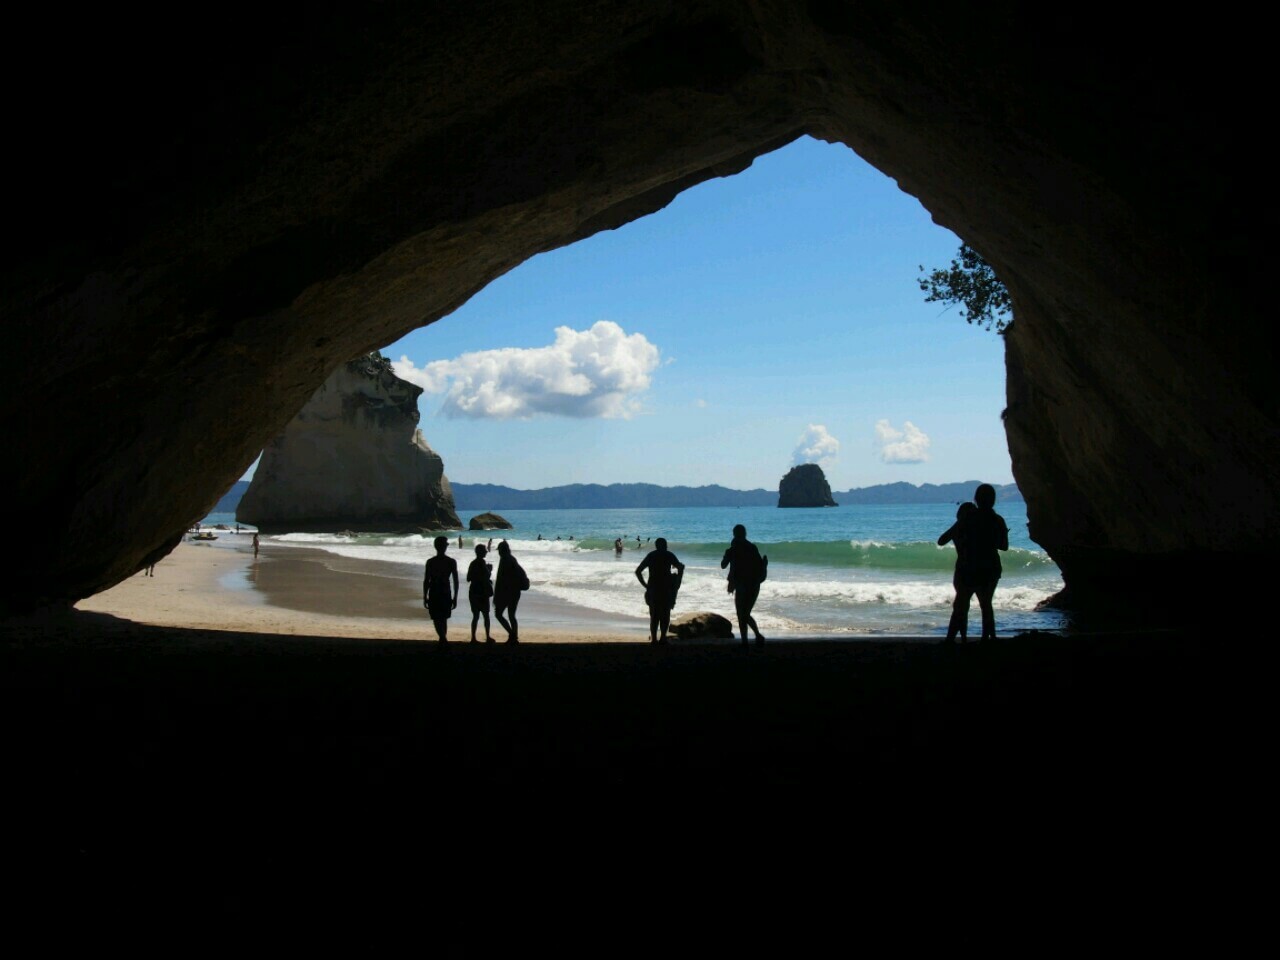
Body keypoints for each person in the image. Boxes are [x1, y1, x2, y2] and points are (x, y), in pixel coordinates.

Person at [954, 483, 1010, 641]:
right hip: (991, 566)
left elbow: (961, 538)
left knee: (962, 604)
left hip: (970, 565)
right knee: (986, 604)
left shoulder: (969, 518)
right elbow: (1004, 546)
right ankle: (988, 638)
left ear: (976, 499)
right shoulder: (998, 520)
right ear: (993, 500)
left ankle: (955, 638)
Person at [720, 524, 768, 646]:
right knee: (744, 613)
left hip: (742, 585)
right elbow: (759, 566)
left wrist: (727, 555)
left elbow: (723, 565)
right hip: (753, 585)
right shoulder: (751, 547)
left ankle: (748, 639)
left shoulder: (733, 550)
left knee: (742, 614)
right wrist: (765, 565)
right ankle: (752, 637)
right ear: (745, 533)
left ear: (734, 534)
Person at [937, 502, 977, 642]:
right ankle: (964, 637)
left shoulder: (958, 528)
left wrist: (957, 525)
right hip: (976, 569)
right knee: (965, 605)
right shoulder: (977, 529)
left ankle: (952, 638)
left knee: (960, 605)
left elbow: (941, 541)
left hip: (962, 570)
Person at [635, 537, 685, 644]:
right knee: (665, 614)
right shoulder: (669, 555)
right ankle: (663, 638)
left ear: (656, 546)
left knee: (654, 615)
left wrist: (645, 585)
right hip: (666, 588)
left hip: (653, 588)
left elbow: (638, 571)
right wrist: (678, 579)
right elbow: (680, 567)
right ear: (665, 545)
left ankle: (654, 639)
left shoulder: (651, 556)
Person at [422, 535, 459, 643]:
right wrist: (455, 596)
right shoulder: (451, 562)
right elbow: (455, 581)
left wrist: (425, 596)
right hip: (445, 591)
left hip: (434, 591)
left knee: (437, 618)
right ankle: (443, 638)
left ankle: (442, 638)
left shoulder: (431, 562)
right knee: (443, 618)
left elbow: (426, 581)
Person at [493, 540, 529, 644]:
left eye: (499, 550)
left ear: (502, 550)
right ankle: (513, 636)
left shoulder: (505, 560)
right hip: (515, 591)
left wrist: (498, 595)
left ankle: (512, 635)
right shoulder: (512, 559)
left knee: (499, 614)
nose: (498, 552)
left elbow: (503, 579)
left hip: (508, 592)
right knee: (511, 615)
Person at [466, 543, 495, 643]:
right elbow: (486, 577)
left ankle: (473, 637)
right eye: (485, 550)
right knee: (486, 616)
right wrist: (489, 570)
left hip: (473, 591)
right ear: (481, 552)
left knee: (475, 616)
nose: (486, 552)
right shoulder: (482, 563)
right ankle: (487, 637)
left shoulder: (473, 563)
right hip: (482, 592)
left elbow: (468, 578)